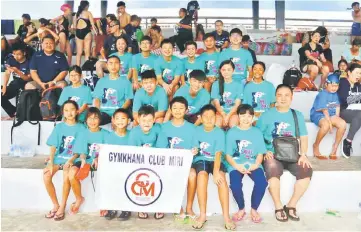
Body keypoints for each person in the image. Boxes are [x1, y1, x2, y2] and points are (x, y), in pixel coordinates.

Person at [257, 84, 312, 222]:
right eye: (279, 95)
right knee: (273, 168)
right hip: (273, 154)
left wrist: (304, 154)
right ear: (275, 97)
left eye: (286, 95)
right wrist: (264, 151)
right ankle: (278, 206)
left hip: (292, 154)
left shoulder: (296, 115)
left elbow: (304, 137)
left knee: (306, 170)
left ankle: (291, 205)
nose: (283, 98)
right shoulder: (267, 115)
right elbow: (257, 135)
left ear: (292, 97)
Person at [191, 104, 235, 231]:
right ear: (201, 118)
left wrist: (216, 172)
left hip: (215, 160)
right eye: (205, 116)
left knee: (221, 178)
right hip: (201, 159)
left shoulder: (219, 132)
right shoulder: (196, 130)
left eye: (211, 116)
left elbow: (218, 153)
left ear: (216, 118)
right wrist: (193, 150)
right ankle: (202, 215)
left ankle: (226, 217)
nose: (209, 119)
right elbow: (195, 149)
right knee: (202, 176)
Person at [43, 100, 86, 221]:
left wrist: (71, 160)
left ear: (77, 111)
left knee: (66, 176)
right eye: (66, 110)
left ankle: (62, 206)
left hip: (73, 159)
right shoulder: (60, 126)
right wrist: (51, 161)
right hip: (58, 158)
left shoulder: (81, 127)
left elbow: (79, 149)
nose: (69, 113)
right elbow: (53, 146)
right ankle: (55, 204)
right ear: (63, 112)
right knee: (46, 175)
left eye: (72, 109)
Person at [225, 104, 268, 224]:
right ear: (238, 116)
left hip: (253, 163)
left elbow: (260, 153)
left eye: (249, 116)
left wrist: (256, 165)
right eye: (242, 115)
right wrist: (237, 166)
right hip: (236, 163)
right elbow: (228, 155)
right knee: (235, 185)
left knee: (262, 183)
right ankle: (241, 208)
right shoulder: (231, 133)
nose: (246, 118)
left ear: (253, 117)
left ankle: (254, 209)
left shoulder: (257, 132)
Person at [161, 96, 198, 222]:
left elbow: (195, 146)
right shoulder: (164, 127)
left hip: (185, 163)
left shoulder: (192, 128)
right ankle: (177, 206)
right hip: (169, 162)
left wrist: (195, 150)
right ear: (170, 109)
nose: (178, 110)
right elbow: (161, 148)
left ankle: (189, 207)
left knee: (192, 174)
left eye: (181, 108)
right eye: (175, 108)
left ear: (186, 110)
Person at [128, 105, 167, 220]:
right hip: (140, 163)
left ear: (154, 120)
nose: (147, 123)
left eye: (150, 120)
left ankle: (159, 206)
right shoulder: (134, 132)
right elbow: (132, 152)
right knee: (140, 180)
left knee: (159, 180)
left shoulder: (158, 129)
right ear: (138, 120)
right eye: (144, 120)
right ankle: (142, 207)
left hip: (156, 161)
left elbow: (161, 148)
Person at [71, 107, 109, 215]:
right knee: (71, 172)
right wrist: (83, 160)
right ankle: (79, 198)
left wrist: (98, 158)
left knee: (105, 174)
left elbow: (107, 151)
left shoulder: (106, 134)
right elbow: (82, 152)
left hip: (100, 161)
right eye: (90, 118)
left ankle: (104, 203)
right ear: (86, 120)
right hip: (86, 160)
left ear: (100, 120)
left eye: (95, 118)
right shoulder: (83, 133)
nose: (92, 121)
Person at [101, 108, 132, 220]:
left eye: (123, 118)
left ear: (129, 121)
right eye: (117, 118)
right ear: (112, 120)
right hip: (113, 168)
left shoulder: (132, 135)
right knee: (111, 181)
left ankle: (126, 208)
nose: (120, 121)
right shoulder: (108, 137)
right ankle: (112, 207)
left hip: (129, 168)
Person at [311, 74, 346, 160]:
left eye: (336, 86)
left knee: (343, 124)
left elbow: (337, 107)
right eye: (332, 86)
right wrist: (330, 124)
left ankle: (334, 148)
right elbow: (324, 110)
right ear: (326, 84)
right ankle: (316, 146)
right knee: (326, 125)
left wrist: (337, 119)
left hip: (331, 114)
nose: (334, 88)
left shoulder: (336, 94)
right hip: (319, 114)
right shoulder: (322, 94)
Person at [93, 55, 133, 125]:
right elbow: (97, 99)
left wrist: (118, 113)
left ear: (120, 66)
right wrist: (97, 112)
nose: (113, 66)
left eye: (116, 63)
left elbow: (128, 100)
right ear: (107, 66)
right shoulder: (101, 81)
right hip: (104, 112)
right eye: (110, 63)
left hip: (119, 111)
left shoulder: (126, 82)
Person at [1, 43, 31, 118]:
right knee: (1, 96)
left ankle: (19, 114)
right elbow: (7, 73)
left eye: (18, 54)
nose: (16, 56)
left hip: (26, 85)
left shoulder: (30, 62)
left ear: (24, 53)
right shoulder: (11, 60)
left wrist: (17, 71)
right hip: (14, 84)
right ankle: (13, 112)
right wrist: (4, 86)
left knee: (19, 90)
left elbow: (28, 78)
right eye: (14, 54)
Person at [337, 63, 361, 158]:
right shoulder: (343, 83)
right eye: (357, 73)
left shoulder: (358, 85)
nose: (359, 76)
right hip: (344, 110)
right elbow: (344, 99)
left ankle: (348, 141)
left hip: (357, 111)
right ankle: (348, 141)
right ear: (349, 72)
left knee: (359, 116)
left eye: (360, 73)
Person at [211, 60, 243, 128]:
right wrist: (223, 115)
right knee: (216, 126)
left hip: (233, 113)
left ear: (233, 70)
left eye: (229, 70)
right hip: (219, 112)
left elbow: (237, 104)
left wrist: (228, 116)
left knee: (233, 126)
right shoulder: (216, 84)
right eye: (223, 70)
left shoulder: (239, 84)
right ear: (220, 71)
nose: (226, 72)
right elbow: (216, 104)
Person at [74, 0, 97, 66]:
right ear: (86, 6)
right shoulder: (88, 13)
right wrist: (96, 33)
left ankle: (77, 68)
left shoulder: (76, 14)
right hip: (86, 32)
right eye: (88, 5)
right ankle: (87, 68)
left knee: (79, 52)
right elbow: (92, 24)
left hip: (78, 32)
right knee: (87, 52)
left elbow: (75, 27)